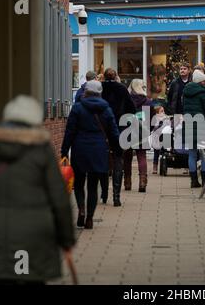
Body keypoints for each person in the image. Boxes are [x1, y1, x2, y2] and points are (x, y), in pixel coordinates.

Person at [0, 95, 75, 285]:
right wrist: (66, 239)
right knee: (30, 278)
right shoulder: (41, 148)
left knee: (1, 280)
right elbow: (58, 196)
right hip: (34, 232)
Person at [61, 81, 121, 229]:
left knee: (79, 183)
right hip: (99, 149)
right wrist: (118, 149)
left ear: (85, 92)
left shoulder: (77, 108)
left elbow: (69, 131)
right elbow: (113, 132)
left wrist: (64, 151)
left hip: (80, 148)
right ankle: (89, 218)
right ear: (100, 93)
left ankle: (81, 209)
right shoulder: (106, 109)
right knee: (93, 186)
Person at [102, 68, 136, 206]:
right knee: (118, 160)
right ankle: (116, 196)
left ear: (104, 77)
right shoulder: (122, 89)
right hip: (119, 129)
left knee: (103, 160)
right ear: (116, 76)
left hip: (102, 129)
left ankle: (104, 194)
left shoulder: (100, 89)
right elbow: (132, 109)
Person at [183, 69, 205, 188]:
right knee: (204, 152)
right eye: (204, 81)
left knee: (192, 153)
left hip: (189, 123)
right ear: (201, 81)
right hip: (201, 124)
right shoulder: (203, 92)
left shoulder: (185, 92)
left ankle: (193, 181)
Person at [123, 79, 153, 193]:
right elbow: (152, 119)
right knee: (141, 156)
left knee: (127, 157)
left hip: (127, 130)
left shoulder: (126, 100)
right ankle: (142, 182)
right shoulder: (148, 102)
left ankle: (127, 182)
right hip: (142, 131)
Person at [150, 105, 170, 174]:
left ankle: (165, 165)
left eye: (163, 111)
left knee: (166, 151)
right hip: (157, 137)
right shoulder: (155, 118)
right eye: (161, 111)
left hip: (165, 136)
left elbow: (169, 126)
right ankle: (155, 167)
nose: (163, 112)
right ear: (157, 113)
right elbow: (154, 128)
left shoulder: (166, 118)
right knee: (156, 152)